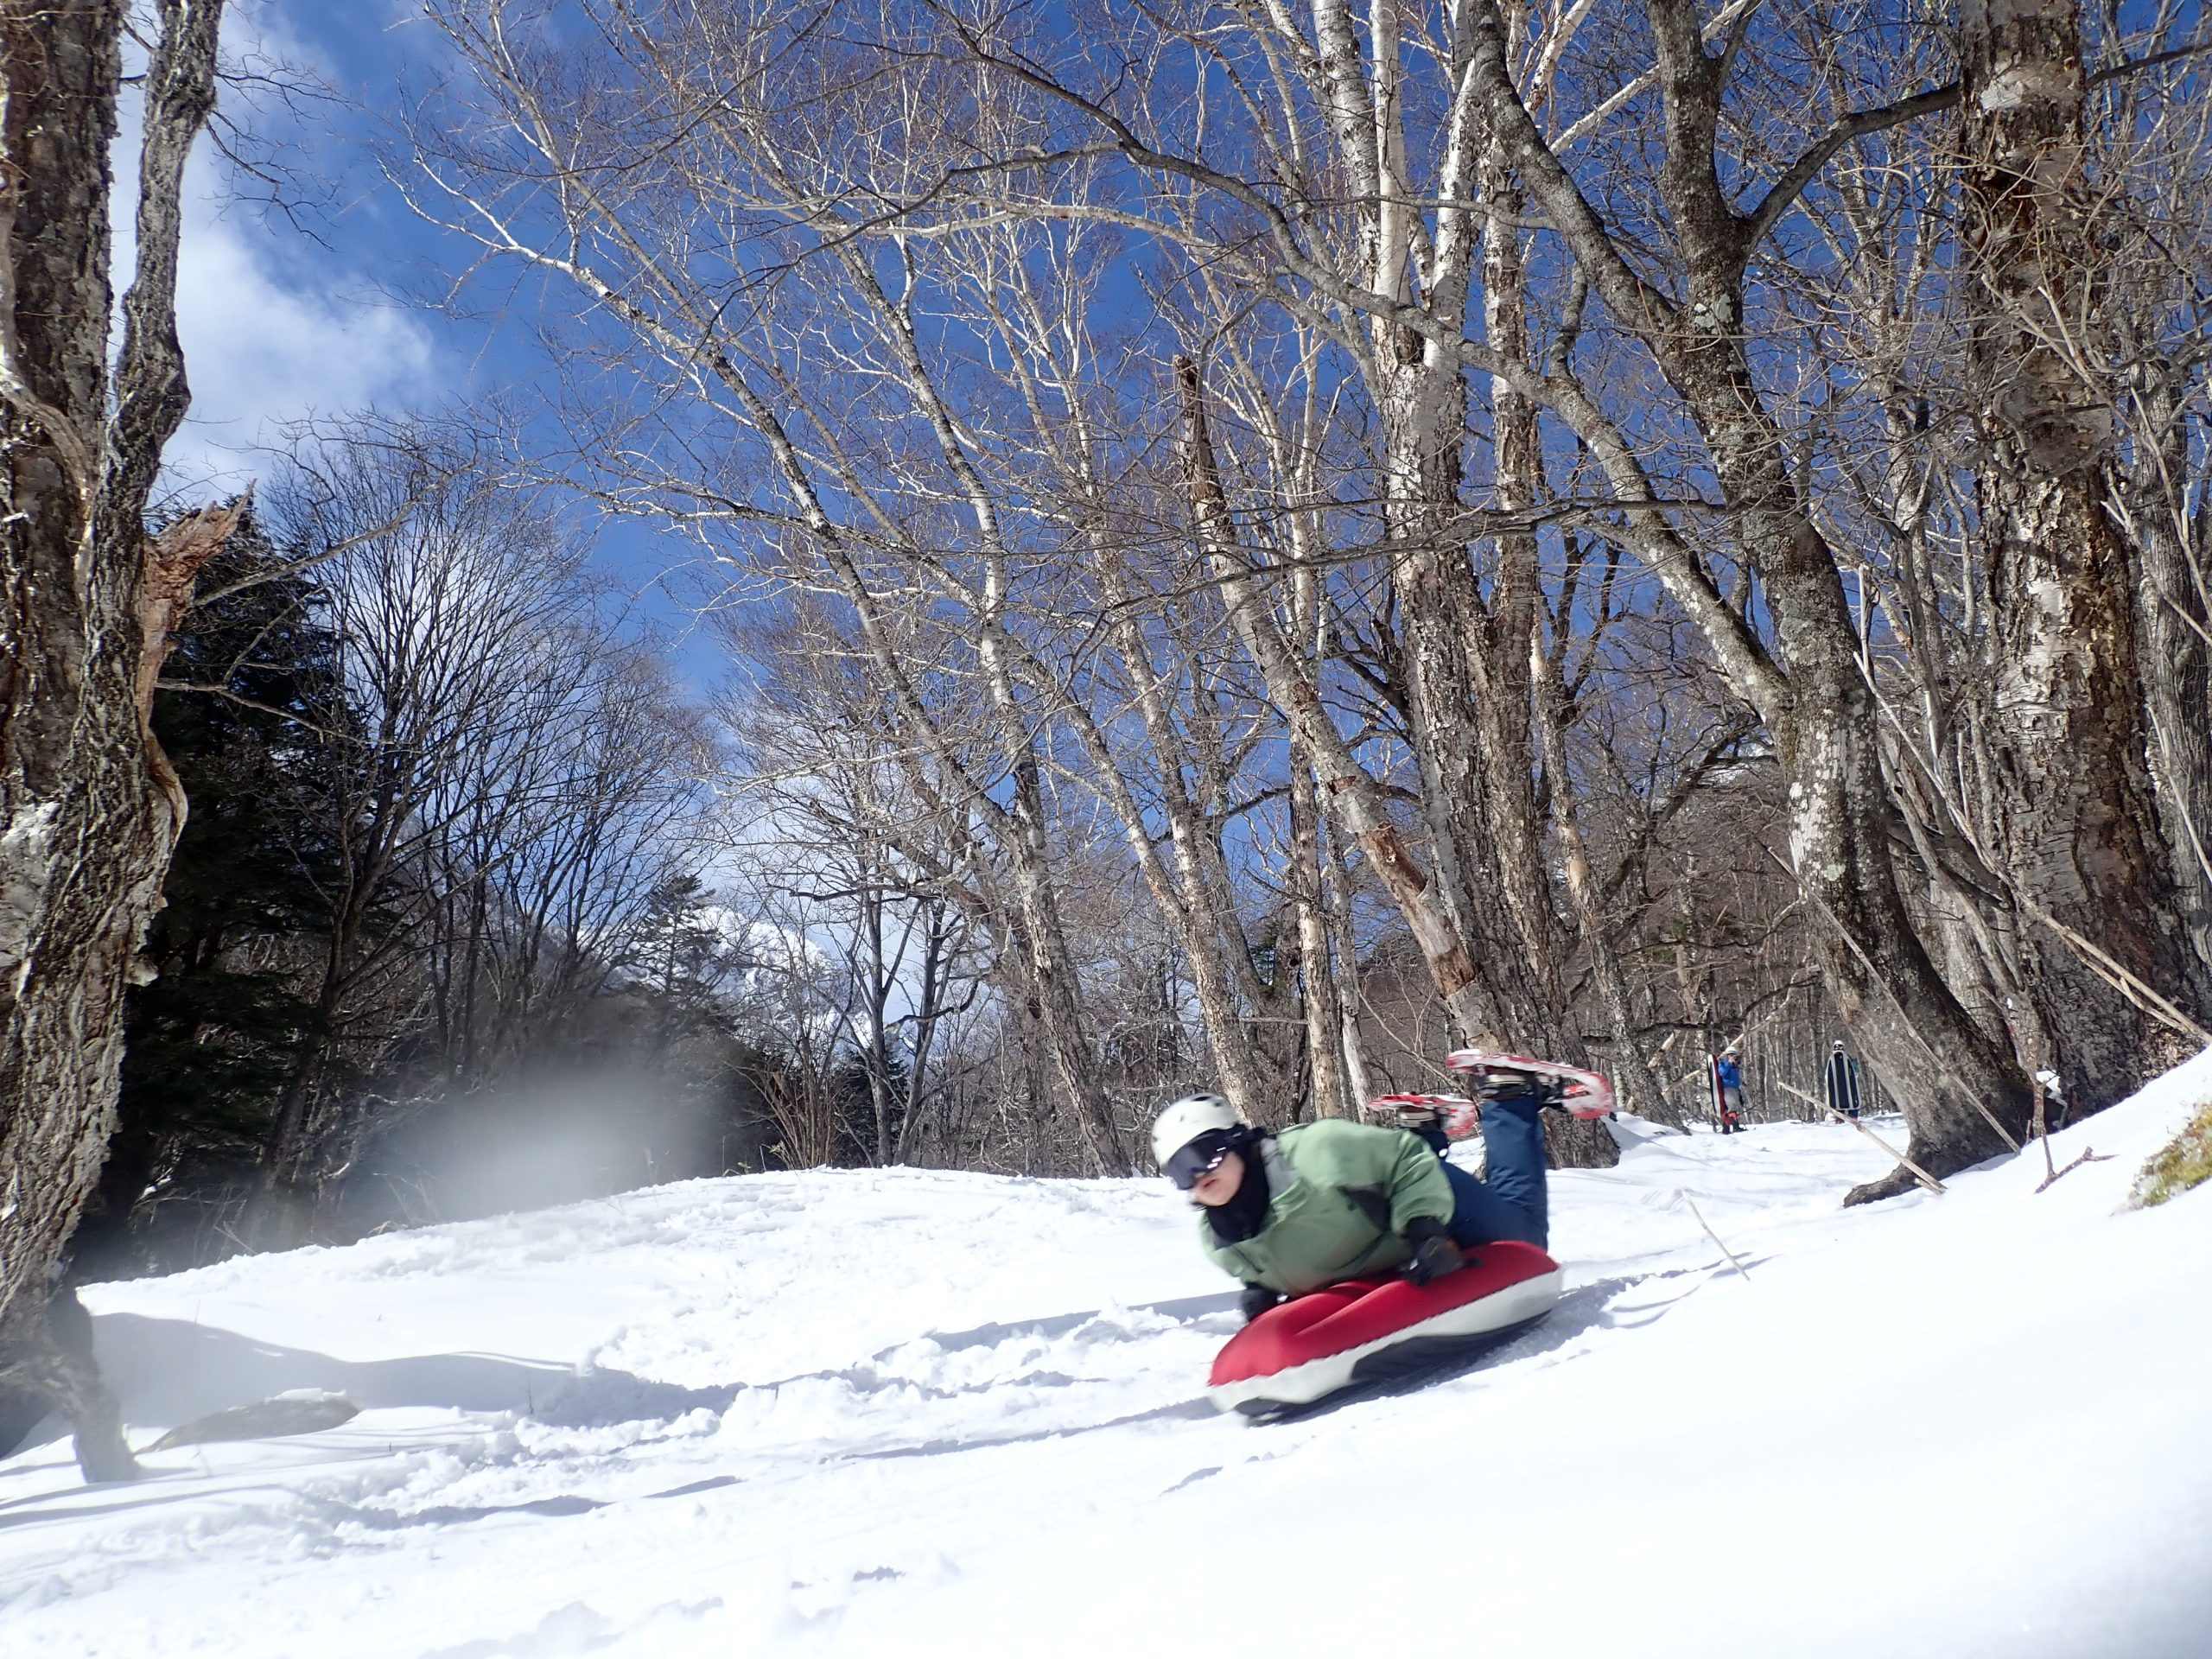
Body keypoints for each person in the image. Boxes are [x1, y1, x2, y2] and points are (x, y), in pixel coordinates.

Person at [1149, 1088, 1554, 1322]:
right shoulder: (1219, 1243)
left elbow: (1404, 1162)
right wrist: (1261, 1289)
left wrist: (1425, 1227)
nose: (1199, 1176)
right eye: (1183, 1172)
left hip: (1420, 1196)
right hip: (1377, 1236)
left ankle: (1510, 1097)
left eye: (1206, 1156)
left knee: (1525, 1237)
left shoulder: (1315, 1152)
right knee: (1377, 1166)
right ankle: (1424, 1124)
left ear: (1235, 1139)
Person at [1822, 1039, 1864, 1121]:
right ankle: (1848, 1118)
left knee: (1841, 1102)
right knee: (1850, 1101)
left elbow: (1826, 1073)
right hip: (1845, 1087)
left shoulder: (1833, 1060)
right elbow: (1856, 1071)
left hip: (1842, 1088)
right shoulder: (1847, 1060)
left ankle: (1842, 1119)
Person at [1712, 1046, 1745, 1134]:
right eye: (1730, 1055)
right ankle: (1735, 1127)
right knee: (1732, 1106)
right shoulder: (1724, 1063)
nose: (1732, 1057)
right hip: (1728, 1088)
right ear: (1727, 1055)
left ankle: (1726, 1129)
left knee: (1731, 1107)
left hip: (1735, 1088)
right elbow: (1722, 1072)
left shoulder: (1735, 1066)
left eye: (1734, 1055)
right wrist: (1729, 1063)